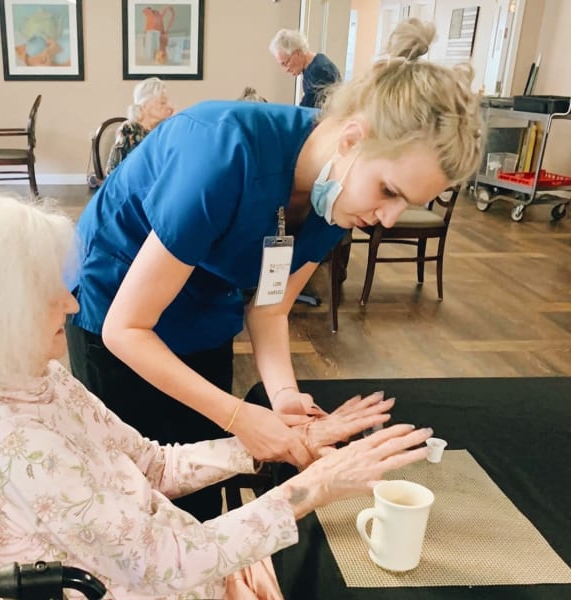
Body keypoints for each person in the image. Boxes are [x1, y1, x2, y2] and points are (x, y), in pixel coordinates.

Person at [0, 189, 434, 600]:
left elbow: (154, 465)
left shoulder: (34, 379)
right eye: (47, 294)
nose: (71, 305)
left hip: (167, 560)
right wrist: (318, 484)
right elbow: (167, 565)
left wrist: (285, 441)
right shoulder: (8, 442)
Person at [67, 18, 482, 521]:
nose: (387, 220)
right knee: (139, 498)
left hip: (200, 305)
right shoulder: (224, 154)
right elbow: (126, 329)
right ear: (352, 139)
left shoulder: (337, 197)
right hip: (116, 306)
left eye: (407, 203)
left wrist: (283, 398)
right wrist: (240, 415)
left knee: (200, 490)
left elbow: (270, 308)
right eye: (390, 192)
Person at [105, 77, 173, 176]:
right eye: (163, 102)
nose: (169, 106)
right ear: (145, 104)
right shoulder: (130, 129)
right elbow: (112, 172)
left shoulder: (162, 130)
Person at [269, 29, 342, 109]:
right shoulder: (314, 65)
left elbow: (307, 109)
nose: (286, 70)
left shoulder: (319, 71)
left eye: (285, 63)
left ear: (298, 53)